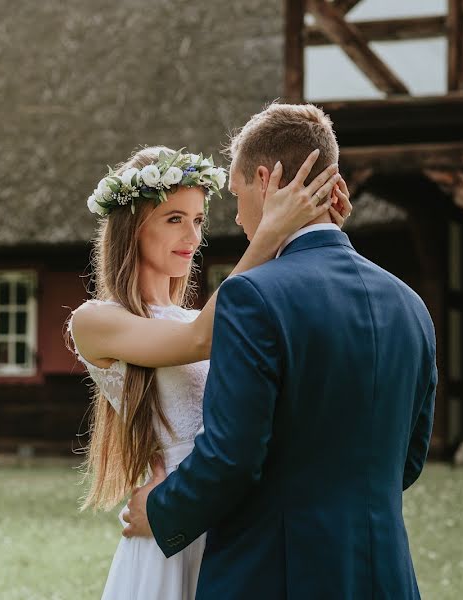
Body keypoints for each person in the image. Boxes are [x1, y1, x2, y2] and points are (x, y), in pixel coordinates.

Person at [121, 103, 438, 599]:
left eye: (238, 193)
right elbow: (409, 460)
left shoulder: (253, 297)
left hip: (275, 575)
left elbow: (232, 457)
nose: (239, 215)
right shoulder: (411, 304)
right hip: (386, 576)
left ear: (265, 181)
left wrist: (160, 511)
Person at [67, 141, 351, 599]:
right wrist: (271, 235)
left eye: (198, 220)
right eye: (174, 219)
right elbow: (199, 339)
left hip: (228, 514)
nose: (193, 238)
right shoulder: (96, 320)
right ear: (133, 227)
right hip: (173, 521)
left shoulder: (196, 316)